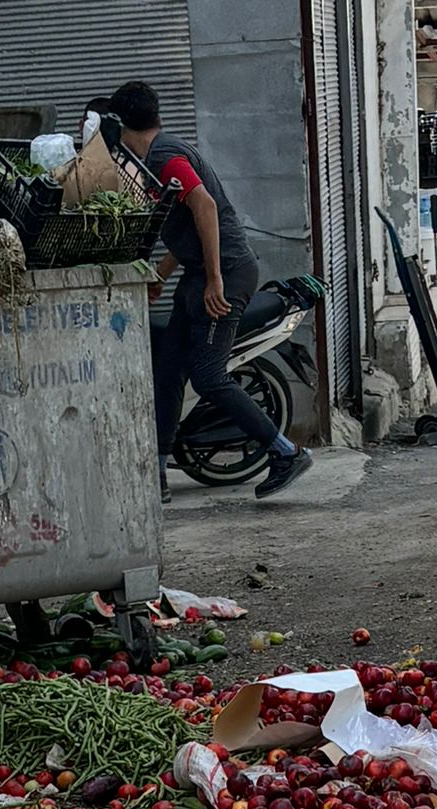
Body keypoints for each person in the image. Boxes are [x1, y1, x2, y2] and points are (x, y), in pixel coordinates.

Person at [111, 79, 311, 503]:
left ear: (121, 125)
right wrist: (164, 273)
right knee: (168, 372)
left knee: (208, 376)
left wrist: (216, 279)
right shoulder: (160, 152)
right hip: (198, 275)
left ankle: (286, 452)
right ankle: (158, 474)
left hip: (227, 274)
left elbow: (203, 206)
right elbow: (185, 227)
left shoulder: (164, 156)